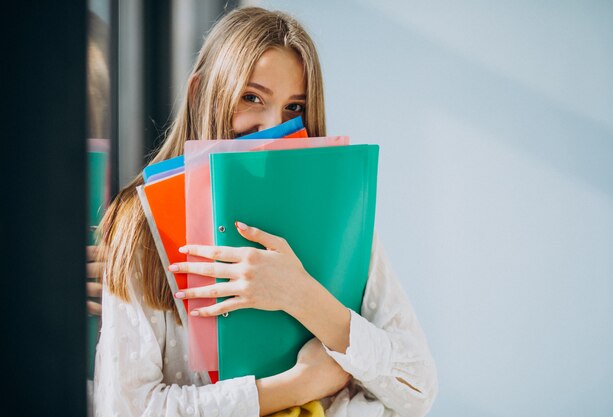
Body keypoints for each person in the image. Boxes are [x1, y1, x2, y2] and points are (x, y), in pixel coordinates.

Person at [94, 6, 438, 417]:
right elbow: (125, 408)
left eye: (295, 108)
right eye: (252, 98)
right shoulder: (140, 224)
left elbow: (417, 388)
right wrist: (297, 386)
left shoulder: (339, 212)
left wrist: (302, 295)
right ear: (200, 92)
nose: (272, 127)